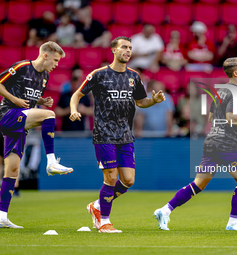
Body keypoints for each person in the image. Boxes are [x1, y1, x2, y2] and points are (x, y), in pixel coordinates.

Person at [153, 57, 237, 231]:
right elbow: (228, 117)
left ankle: (165, 210)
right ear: (236, 73)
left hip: (212, 140)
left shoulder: (221, 92)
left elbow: (212, 118)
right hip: (224, 144)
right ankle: (233, 222)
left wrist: (235, 134)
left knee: (198, 184)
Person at [69, 36, 166, 233]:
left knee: (128, 180)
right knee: (111, 178)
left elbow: (141, 102)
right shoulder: (99, 74)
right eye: (124, 47)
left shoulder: (134, 76)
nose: (128, 51)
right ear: (113, 50)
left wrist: (153, 101)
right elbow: (77, 94)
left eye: (130, 48)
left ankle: (96, 205)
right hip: (104, 134)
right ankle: (104, 221)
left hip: (125, 135)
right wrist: (73, 109)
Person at [0, 41, 74, 229]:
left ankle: (1, 217)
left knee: (12, 171)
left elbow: (30, 98)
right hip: (8, 114)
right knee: (49, 115)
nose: (57, 65)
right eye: (55, 60)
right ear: (45, 55)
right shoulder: (22, 66)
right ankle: (51, 161)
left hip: (21, 124)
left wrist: (42, 100)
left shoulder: (45, 76)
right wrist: (14, 99)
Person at [55, 66, 92, 131]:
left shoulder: (84, 96)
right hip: (66, 131)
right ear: (71, 82)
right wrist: (70, 110)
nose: (75, 84)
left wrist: (84, 110)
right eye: (73, 81)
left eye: (76, 82)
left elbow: (92, 111)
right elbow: (57, 111)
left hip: (81, 131)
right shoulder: (65, 96)